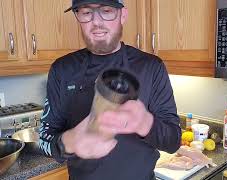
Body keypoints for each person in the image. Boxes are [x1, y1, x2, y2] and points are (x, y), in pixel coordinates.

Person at [38, 0, 181, 179]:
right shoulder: (62, 70)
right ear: (78, 16)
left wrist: (145, 123)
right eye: (86, 13)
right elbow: (43, 139)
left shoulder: (151, 67)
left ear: (123, 15)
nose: (96, 22)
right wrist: (69, 142)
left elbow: (174, 141)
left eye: (106, 11)